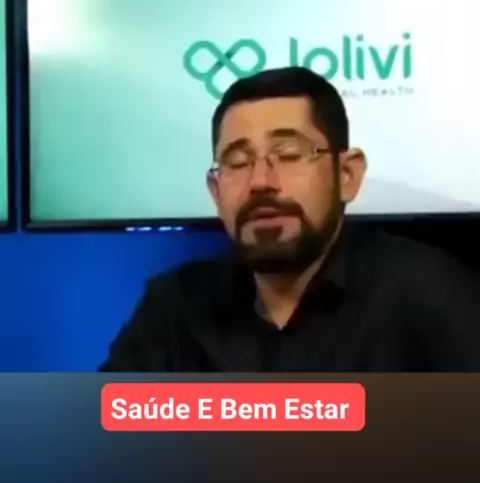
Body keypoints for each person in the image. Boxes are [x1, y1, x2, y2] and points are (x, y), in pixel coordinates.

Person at [100, 66, 480, 372]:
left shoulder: (428, 296)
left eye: (288, 154)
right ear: (216, 192)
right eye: (238, 162)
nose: (260, 181)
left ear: (347, 175)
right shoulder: (175, 307)